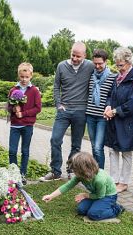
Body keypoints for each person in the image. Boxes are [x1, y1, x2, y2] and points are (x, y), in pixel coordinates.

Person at [40, 42, 94, 181]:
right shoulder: (61, 66)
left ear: (84, 55)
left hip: (81, 111)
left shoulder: (90, 66)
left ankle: (71, 169)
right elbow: (56, 86)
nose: (75, 58)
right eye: (73, 55)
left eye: (78, 56)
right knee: (55, 139)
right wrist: (58, 104)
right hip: (64, 111)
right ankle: (55, 171)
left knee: (76, 144)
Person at [42, 152, 124, 221]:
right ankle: (97, 206)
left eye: (75, 170)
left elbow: (100, 196)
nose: (74, 172)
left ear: (84, 170)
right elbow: (67, 186)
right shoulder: (80, 175)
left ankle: (117, 209)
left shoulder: (99, 179)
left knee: (93, 214)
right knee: (81, 210)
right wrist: (51, 196)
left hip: (108, 196)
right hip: (96, 194)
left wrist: (85, 195)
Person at [104, 47, 133, 193]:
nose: (118, 68)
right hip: (113, 119)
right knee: (112, 150)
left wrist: (115, 111)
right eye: (117, 65)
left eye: (121, 65)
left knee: (126, 152)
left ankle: (124, 183)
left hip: (126, 121)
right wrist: (107, 107)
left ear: (129, 62)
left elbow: (132, 103)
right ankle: (114, 180)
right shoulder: (117, 77)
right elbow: (109, 96)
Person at [7, 62, 42, 185]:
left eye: (26, 77)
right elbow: (8, 107)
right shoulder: (13, 90)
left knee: (25, 151)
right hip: (15, 125)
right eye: (22, 77)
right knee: (12, 151)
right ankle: (14, 174)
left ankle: (22, 174)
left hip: (27, 125)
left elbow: (38, 108)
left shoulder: (34, 91)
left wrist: (24, 113)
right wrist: (13, 109)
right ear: (18, 75)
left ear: (31, 76)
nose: (24, 79)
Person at [85, 49, 115, 169]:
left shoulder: (112, 77)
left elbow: (113, 96)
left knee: (98, 147)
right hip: (90, 116)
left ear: (106, 62)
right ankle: (94, 171)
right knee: (93, 146)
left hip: (102, 117)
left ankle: (100, 174)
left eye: (100, 64)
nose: (97, 66)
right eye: (95, 63)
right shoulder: (90, 76)